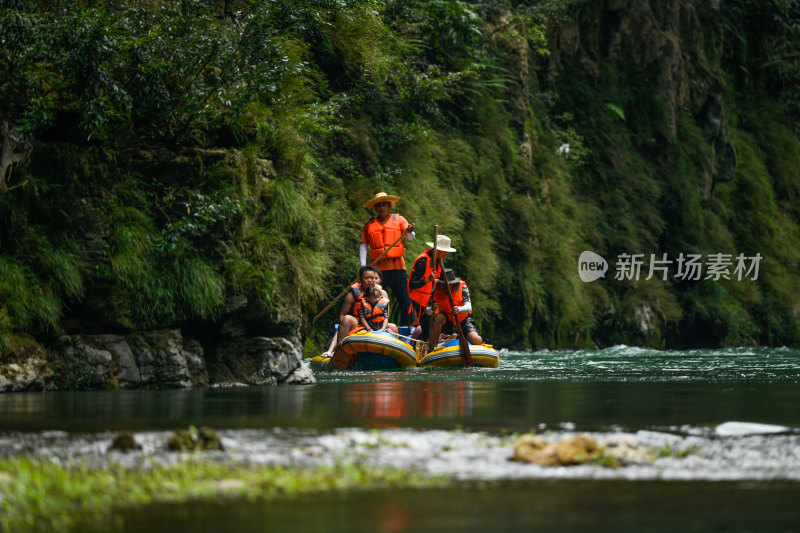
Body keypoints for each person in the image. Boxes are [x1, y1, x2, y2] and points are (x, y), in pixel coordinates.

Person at [360, 192, 415, 328]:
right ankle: (372, 324)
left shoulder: (399, 220)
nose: (382, 208)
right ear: (375, 208)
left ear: (389, 206)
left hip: (397, 267)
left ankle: (410, 326)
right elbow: (363, 245)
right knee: (373, 297)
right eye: (378, 206)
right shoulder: (370, 224)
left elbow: (411, 237)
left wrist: (409, 231)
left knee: (404, 298)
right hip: (378, 271)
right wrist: (364, 267)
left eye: (384, 205)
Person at [323, 265, 388, 356]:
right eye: (366, 278)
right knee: (347, 319)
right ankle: (339, 352)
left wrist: (381, 328)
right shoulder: (352, 295)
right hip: (358, 324)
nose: (370, 280)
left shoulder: (382, 293)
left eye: (372, 278)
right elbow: (342, 316)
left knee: (393, 327)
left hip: (378, 324)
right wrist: (347, 326)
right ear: (360, 279)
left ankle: (395, 357)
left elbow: (386, 315)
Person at [407, 234, 456, 343]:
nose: (447, 253)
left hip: (429, 301)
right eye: (445, 251)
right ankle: (414, 348)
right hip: (418, 302)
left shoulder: (439, 261)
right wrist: (427, 280)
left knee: (431, 330)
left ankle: (426, 348)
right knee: (426, 331)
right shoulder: (423, 261)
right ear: (438, 250)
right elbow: (412, 284)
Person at [427, 268, 483, 348]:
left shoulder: (462, 287)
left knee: (476, 339)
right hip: (447, 322)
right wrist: (432, 309)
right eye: (442, 284)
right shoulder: (436, 289)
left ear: (453, 284)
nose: (443, 287)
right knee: (438, 317)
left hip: (463, 320)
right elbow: (427, 311)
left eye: (446, 285)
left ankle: (461, 338)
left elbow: (468, 307)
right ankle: (433, 347)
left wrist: (459, 309)